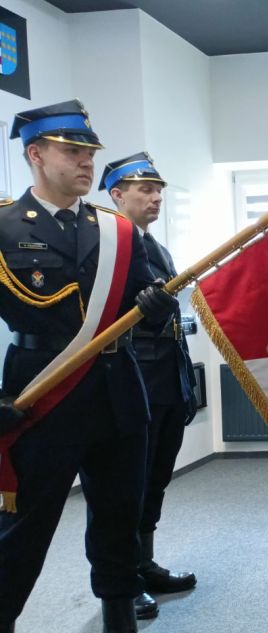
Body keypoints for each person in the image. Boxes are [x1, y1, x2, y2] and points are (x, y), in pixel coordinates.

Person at [0, 100, 179, 633]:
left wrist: (155, 307)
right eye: (72, 152)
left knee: (119, 521)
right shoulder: (3, 225)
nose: (86, 163)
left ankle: (119, 620)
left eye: (90, 153)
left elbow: (139, 307)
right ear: (35, 154)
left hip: (118, 393)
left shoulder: (116, 230)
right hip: (39, 395)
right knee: (22, 530)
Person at [101, 153, 198, 618]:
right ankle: (124, 581)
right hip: (132, 379)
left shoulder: (154, 247)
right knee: (126, 487)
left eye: (159, 190)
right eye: (145, 189)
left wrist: (184, 386)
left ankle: (144, 564)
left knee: (155, 479)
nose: (156, 197)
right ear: (117, 195)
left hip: (166, 380)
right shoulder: (108, 245)